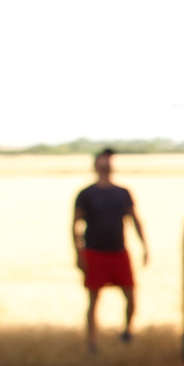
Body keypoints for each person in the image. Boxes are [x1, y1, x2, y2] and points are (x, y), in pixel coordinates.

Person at [73, 149, 148, 352]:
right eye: (102, 161)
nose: (105, 164)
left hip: (118, 251)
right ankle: (92, 343)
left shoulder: (122, 193)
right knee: (93, 299)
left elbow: (135, 220)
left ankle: (127, 331)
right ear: (96, 165)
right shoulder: (86, 194)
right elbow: (75, 225)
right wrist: (78, 253)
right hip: (94, 252)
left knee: (130, 295)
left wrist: (144, 246)